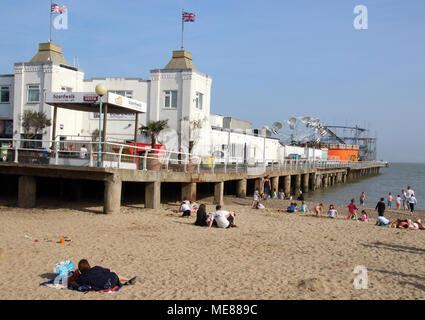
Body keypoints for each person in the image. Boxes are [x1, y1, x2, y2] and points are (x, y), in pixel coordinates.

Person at [71, 259, 136, 291]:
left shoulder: (82, 278)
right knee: (112, 273)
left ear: (80, 270)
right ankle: (127, 279)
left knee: (108, 278)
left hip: (105, 286)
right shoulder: (96, 268)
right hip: (111, 280)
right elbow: (108, 270)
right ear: (88, 265)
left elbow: (78, 284)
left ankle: (124, 282)